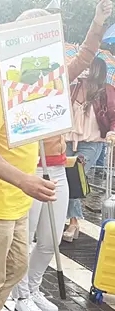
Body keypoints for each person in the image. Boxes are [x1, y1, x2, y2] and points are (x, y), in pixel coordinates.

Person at [11, 5, 110, 311]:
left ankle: (34, 287)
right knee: (22, 241)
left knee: (50, 239)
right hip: (28, 169)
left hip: (56, 167)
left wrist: (97, 22)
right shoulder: (12, 79)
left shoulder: (56, 74)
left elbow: (85, 57)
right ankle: (19, 295)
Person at [64, 55, 115, 242]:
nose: (83, 68)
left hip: (91, 142)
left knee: (75, 178)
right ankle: (70, 220)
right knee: (64, 179)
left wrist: (111, 132)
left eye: (87, 66)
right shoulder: (72, 88)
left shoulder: (106, 91)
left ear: (95, 70)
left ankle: (74, 222)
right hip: (68, 141)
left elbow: (113, 114)